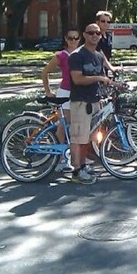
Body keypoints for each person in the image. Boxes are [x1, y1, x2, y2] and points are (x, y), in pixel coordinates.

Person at [68, 23, 116, 184]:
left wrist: (116, 84)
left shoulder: (98, 56)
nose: (95, 35)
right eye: (91, 33)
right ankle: (76, 171)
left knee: (88, 138)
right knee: (79, 138)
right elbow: (77, 79)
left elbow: (103, 79)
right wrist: (99, 78)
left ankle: (83, 166)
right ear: (85, 35)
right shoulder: (77, 55)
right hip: (81, 102)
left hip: (95, 101)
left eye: (97, 33)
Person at [40, 28, 81, 172]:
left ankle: (75, 156)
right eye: (70, 38)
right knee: (64, 126)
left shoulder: (81, 53)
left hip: (79, 93)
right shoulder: (61, 55)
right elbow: (45, 72)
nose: (73, 41)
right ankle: (60, 159)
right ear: (65, 39)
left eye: (76, 38)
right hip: (65, 93)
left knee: (76, 125)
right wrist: (48, 91)